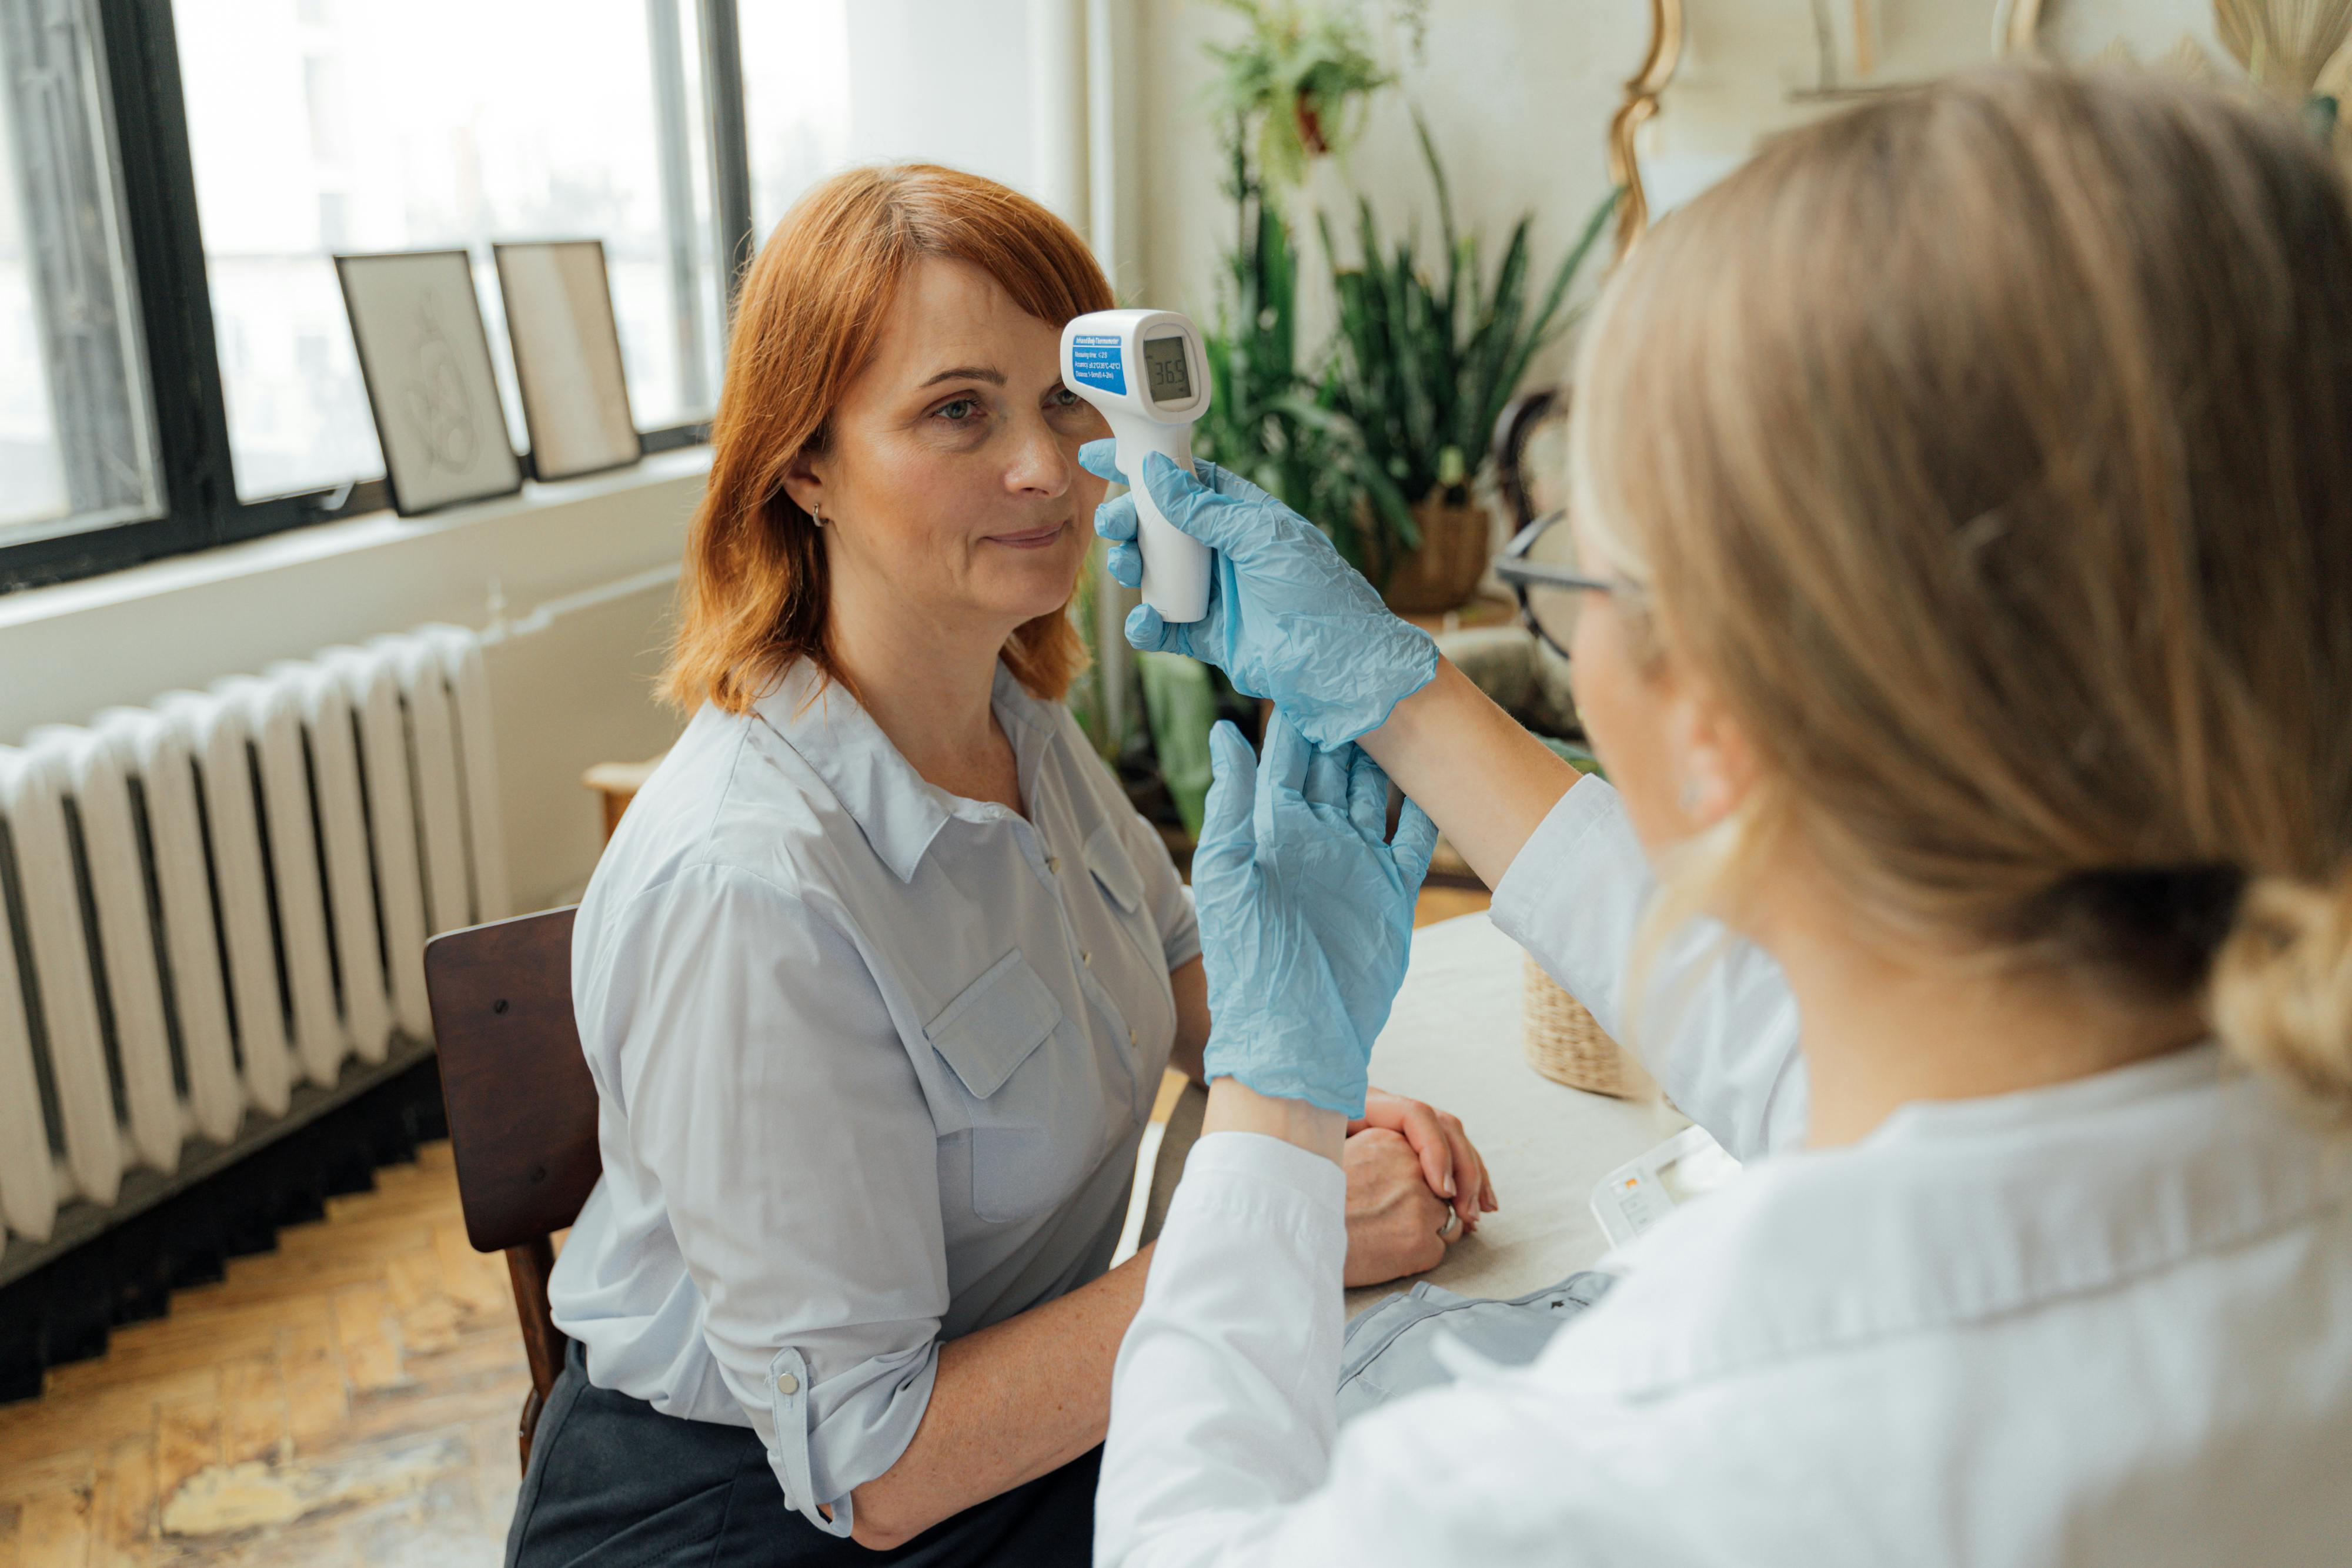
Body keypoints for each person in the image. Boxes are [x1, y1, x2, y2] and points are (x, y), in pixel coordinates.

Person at [1087, 68, 2352, 1565]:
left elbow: (1180, 1544)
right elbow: (1831, 1041)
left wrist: (1271, 1097)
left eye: (1575, 575)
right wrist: (1397, 693)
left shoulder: (1615, 1477)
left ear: (1721, 711)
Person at [507, 165, 1494, 1567]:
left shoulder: (1019, 722)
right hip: (770, 1518)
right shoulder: (748, 888)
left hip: (998, 1417)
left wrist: (1330, 1101)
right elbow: (874, 1468)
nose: (1044, 466)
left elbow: (1191, 983)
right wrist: (1277, 1232)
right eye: (957, 410)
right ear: (802, 466)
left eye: (1062, 398)